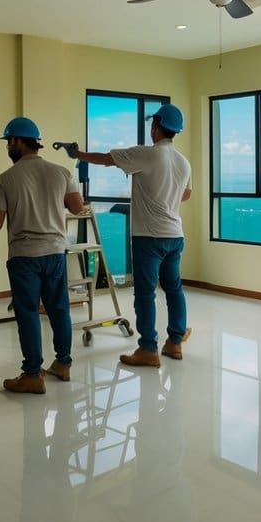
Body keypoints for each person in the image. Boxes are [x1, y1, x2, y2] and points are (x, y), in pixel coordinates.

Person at [70, 103, 191, 367]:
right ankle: (175, 342)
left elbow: (106, 159)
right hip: (175, 234)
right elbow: (187, 194)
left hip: (149, 236)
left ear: (156, 126)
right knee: (174, 289)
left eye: (152, 124)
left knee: (145, 293)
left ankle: (148, 349)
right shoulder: (183, 162)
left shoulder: (146, 154)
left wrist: (78, 153)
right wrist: (164, 196)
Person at [0, 117, 84, 394]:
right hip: (55, 252)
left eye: (8, 142)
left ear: (16, 141)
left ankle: (32, 374)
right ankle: (63, 363)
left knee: (27, 313)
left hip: (24, 255)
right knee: (59, 309)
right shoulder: (62, 173)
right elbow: (76, 207)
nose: (7, 148)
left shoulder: (3, 180)